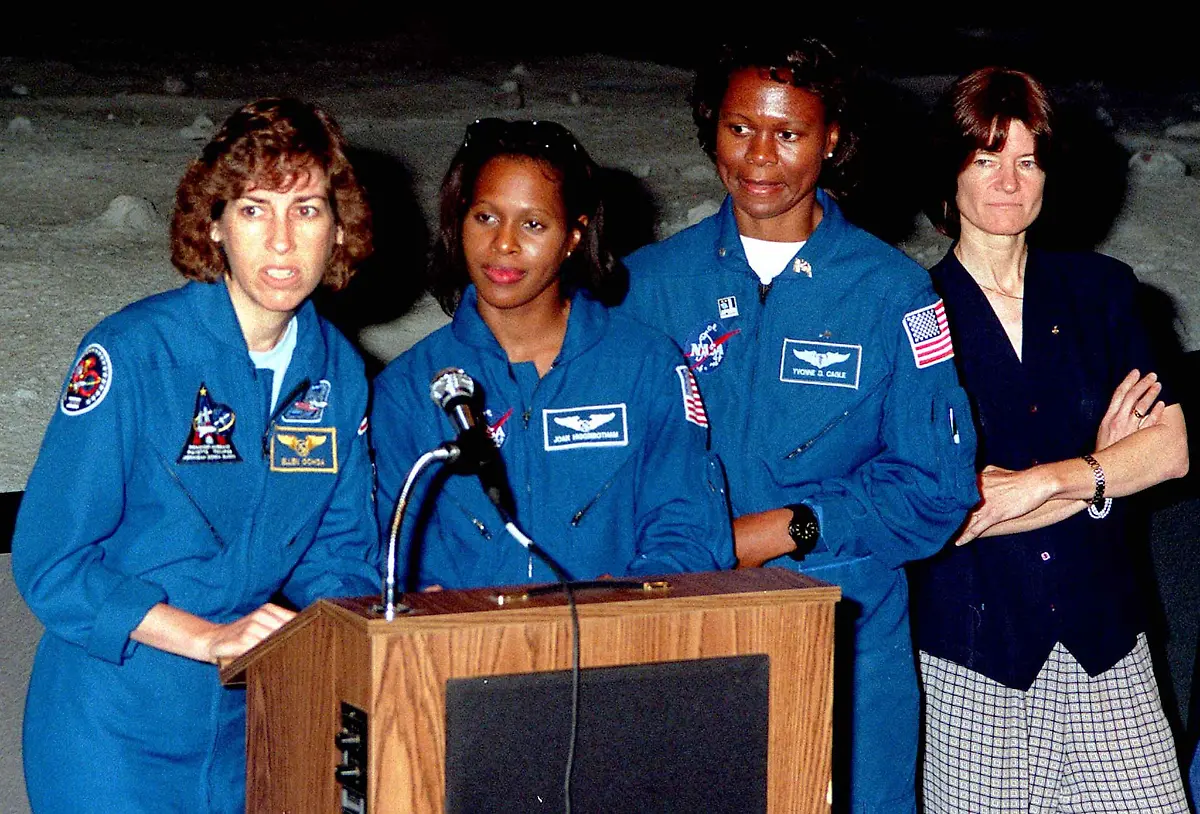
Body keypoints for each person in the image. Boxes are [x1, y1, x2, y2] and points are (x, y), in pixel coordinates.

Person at [617, 41, 979, 813]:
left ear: (833, 139)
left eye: (790, 134)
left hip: (846, 638)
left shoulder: (892, 291)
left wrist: (791, 527)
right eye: (740, 128)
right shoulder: (647, 286)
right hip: (689, 630)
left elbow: (935, 487)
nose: (760, 158)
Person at [12, 98, 381, 814]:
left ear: (339, 231)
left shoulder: (338, 371)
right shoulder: (133, 353)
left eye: (306, 210)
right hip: (112, 724)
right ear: (213, 225)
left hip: (250, 725)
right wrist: (211, 637)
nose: (282, 241)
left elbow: (339, 555)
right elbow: (52, 562)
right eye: (253, 210)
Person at [908, 66, 1191, 812]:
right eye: (986, 157)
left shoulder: (1101, 290)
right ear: (950, 173)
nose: (1008, 181)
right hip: (974, 658)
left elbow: (1169, 451)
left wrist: (1044, 480)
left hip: (1108, 646)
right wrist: (1104, 474)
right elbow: (945, 516)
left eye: (1026, 160)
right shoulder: (907, 312)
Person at [371, 118, 734, 590]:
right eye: (485, 217)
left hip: (615, 651)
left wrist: (625, 600)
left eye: (534, 224)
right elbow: (378, 550)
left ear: (573, 237)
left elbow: (688, 530)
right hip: (462, 655)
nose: (504, 243)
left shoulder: (644, 366)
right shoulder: (408, 388)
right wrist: (424, 605)